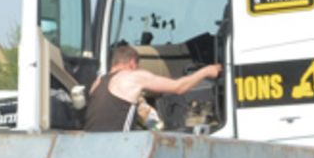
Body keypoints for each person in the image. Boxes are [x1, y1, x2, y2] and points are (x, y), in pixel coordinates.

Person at [84, 43, 222, 132]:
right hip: (116, 147)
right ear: (132, 63)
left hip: (91, 145)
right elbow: (179, 87)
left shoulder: (97, 83)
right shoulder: (132, 76)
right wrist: (207, 71)